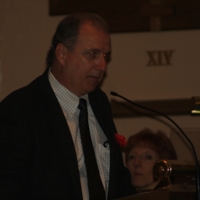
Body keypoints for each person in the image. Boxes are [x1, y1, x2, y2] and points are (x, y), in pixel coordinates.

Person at [0, 12, 136, 199]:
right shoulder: (20, 109)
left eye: (105, 55)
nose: (102, 65)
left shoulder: (99, 102)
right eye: (92, 54)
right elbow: (7, 186)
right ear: (62, 54)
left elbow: (117, 178)